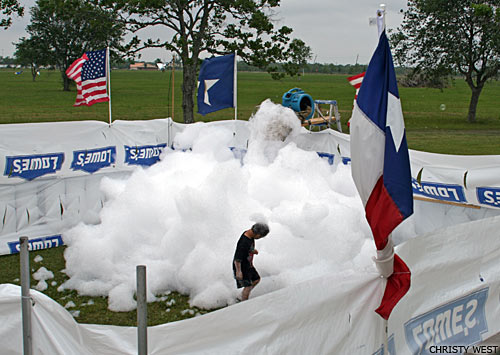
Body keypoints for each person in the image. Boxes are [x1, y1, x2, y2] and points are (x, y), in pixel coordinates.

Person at [232, 223, 270, 301]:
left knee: (256, 279)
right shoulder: (244, 243)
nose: (259, 238)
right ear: (258, 234)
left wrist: (252, 251)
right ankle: (244, 303)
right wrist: (239, 271)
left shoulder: (250, 235)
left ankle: (242, 295)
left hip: (248, 264)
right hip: (242, 266)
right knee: (248, 286)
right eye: (260, 236)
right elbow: (237, 258)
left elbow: (247, 249)